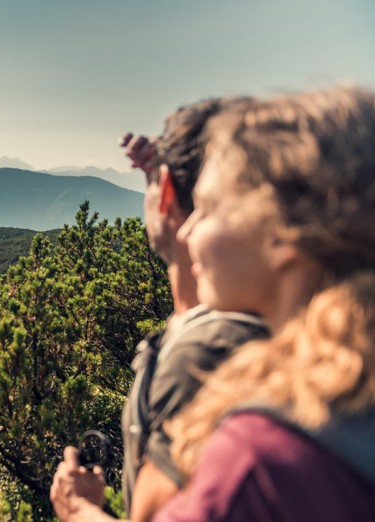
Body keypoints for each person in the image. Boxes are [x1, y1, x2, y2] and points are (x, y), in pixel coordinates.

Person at [51, 86, 375, 521]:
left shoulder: (257, 463)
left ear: (281, 234)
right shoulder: (344, 397)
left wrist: (76, 511)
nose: (186, 231)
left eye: (205, 208)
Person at [118, 99, 267, 521]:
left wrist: (78, 509)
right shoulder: (252, 324)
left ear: (166, 193)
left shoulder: (202, 356)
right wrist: (158, 176)